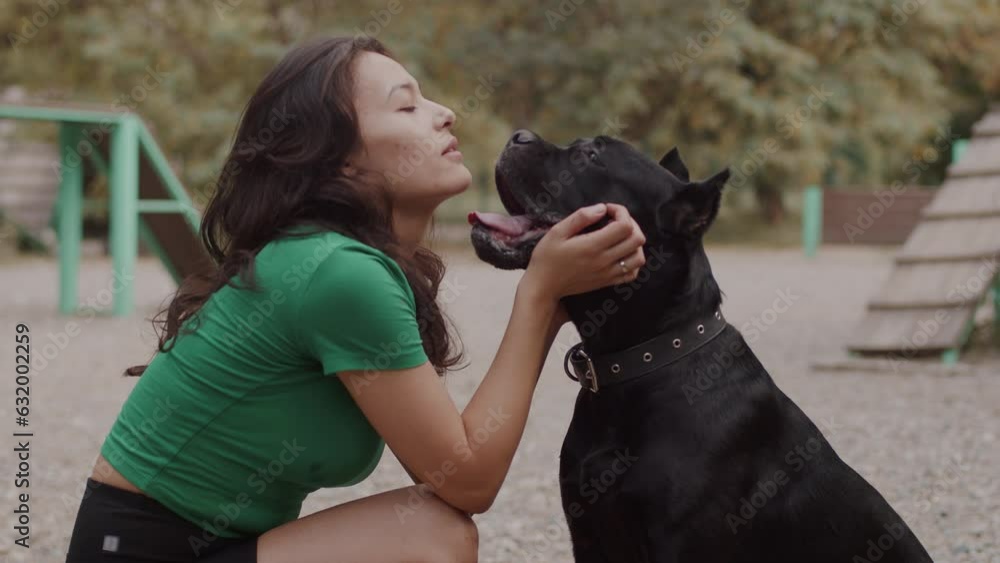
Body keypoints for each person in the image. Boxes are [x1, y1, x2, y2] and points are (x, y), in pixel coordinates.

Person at [65, 35, 646, 563]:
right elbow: (467, 479)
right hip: (138, 551)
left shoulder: (342, 262)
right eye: (407, 105)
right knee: (431, 536)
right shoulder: (336, 274)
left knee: (429, 528)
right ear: (338, 158)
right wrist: (540, 294)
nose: (445, 114)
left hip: (214, 546)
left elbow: (460, 459)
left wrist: (556, 292)